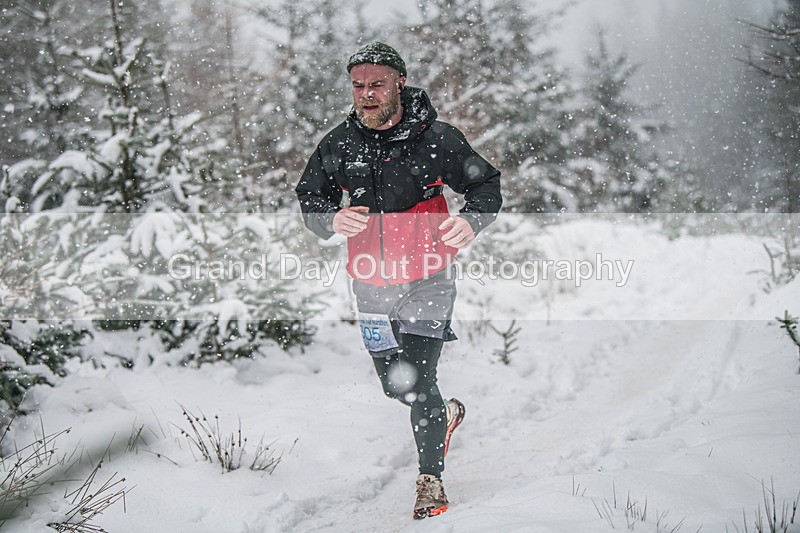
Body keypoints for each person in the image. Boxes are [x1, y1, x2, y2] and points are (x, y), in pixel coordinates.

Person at [295, 41, 502, 520]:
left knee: (420, 378)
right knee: (396, 385)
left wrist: (472, 220)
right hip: (370, 283)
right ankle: (443, 415)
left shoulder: (438, 139)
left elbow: (485, 184)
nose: (366, 94)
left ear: (399, 84)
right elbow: (310, 197)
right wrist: (331, 219)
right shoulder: (339, 143)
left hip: (429, 277)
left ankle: (431, 481)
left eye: (377, 84)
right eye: (358, 85)